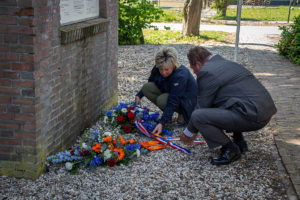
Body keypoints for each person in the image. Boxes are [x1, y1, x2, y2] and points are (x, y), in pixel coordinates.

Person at [180, 46, 277, 166]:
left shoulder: (206, 72)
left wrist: (189, 132)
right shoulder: (229, 64)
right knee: (221, 100)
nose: (194, 72)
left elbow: (202, 106)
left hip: (253, 116)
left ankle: (230, 149)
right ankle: (239, 140)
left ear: (198, 64)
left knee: (198, 116)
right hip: (264, 110)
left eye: (193, 68)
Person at [135, 46, 198, 135]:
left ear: (173, 65)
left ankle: (182, 114)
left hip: (187, 101)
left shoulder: (180, 76)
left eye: (166, 69)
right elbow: (151, 81)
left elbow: (173, 100)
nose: (163, 72)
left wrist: (162, 122)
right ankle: (168, 115)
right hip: (170, 92)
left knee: (162, 100)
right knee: (147, 87)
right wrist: (139, 95)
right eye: (161, 69)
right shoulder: (158, 67)